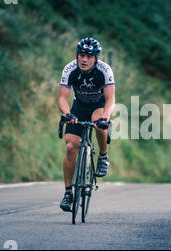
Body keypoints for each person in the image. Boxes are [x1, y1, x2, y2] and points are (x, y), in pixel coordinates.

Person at [58, 37, 115, 212]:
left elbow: (110, 99)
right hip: (79, 106)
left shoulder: (104, 70)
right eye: (81, 55)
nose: (84, 59)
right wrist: (68, 114)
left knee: (99, 125)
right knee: (70, 147)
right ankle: (68, 193)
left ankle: (103, 157)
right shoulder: (70, 69)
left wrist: (105, 117)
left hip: (98, 106)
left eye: (89, 56)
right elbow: (62, 98)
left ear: (96, 58)